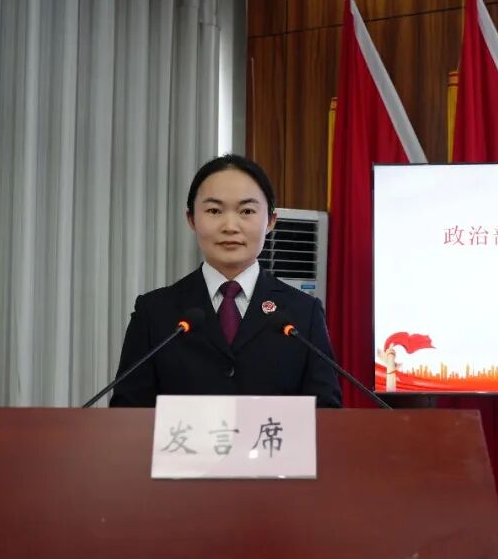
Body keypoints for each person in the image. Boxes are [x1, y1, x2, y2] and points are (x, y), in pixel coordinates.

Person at [110, 154, 342, 408]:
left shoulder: (303, 313)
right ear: (192, 219)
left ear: (270, 221)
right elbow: (127, 413)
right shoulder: (154, 312)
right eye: (214, 211)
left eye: (246, 211)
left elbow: (327, 414)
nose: (230, 226)